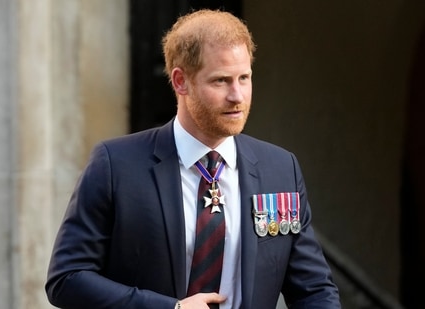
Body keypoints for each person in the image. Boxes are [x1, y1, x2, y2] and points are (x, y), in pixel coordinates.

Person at [46, 9, 340, 309]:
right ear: (180, 82)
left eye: (244, 77)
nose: (237, 95)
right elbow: (67, 279)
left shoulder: (280, 168)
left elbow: (313, 289)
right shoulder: (116, 165)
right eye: (221, 81)